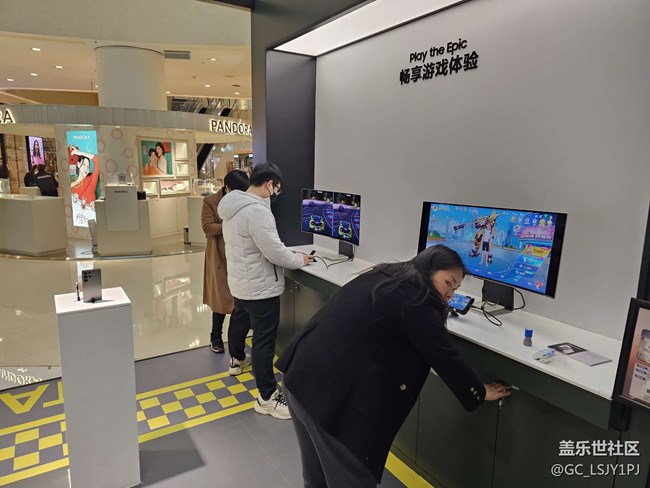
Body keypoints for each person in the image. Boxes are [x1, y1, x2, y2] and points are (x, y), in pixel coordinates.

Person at [276, 245, 512, 487]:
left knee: (316, 479)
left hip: (301, 378)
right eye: (448, 283)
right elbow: (445, 356)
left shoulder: (387, 274)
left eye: (455, 288)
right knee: (351, 475)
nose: (450, 293)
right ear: (429, 269)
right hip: (330, 402)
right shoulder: (418, 299)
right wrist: (479, 391)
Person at [218, 162, 314, 420]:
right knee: (264, 343)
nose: (276, 194)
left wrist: (286, 252)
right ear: (270, 184)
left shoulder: (233, 207)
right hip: (260, 288)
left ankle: (238, 360)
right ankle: (267, 398)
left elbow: (257, 247)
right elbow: (274, 252)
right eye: (277, 189)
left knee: (242, 323)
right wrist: (300, 260)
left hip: (242, 283)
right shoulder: (257, 212)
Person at [202, 169, 250, 354]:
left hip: (239, 253)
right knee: (220, 299)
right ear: (227, 187)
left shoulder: (247, 199)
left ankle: (237, 341)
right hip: (219, 254)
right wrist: (231, 225)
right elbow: (207, 227)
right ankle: (216, 336)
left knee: (240, 300)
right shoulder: (210, 201)